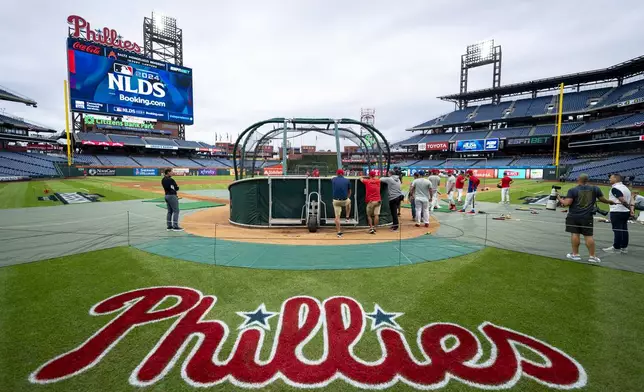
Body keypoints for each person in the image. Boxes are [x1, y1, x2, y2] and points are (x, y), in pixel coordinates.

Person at [557, 173, 614, 263]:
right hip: (587, 217)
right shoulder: (595, 189)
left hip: (574, 216)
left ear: (578, 179)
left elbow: (566, 203)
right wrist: (610, 202)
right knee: (588, 236)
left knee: (575, 234)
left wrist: (559, 198)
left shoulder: (573, 190)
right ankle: (592, 256)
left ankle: (575, 255)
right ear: (587, 180)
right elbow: (603, 200)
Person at [603, 174, 632, 254]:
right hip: (625, 212)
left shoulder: (615, 188)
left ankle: (616, 247)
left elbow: (622, 199)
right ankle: (624, 247)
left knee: (617, 230)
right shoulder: (626, 188)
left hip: (617, 211)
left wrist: (628, 207)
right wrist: (630, 210)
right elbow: (630, 199)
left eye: (611, 178)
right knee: (624, 229)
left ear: (615, 179)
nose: (609, 179)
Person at [331, 169, 352, 238]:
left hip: (336, 201)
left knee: (337, 217)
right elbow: (350, 192)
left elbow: (333, 178)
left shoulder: (333, 179)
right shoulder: (347, 180)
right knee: (349, 202)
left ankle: (339, 232)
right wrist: (347, 197)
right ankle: (347, 217)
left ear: (337, 174)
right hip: (344, 201)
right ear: (343, 174)